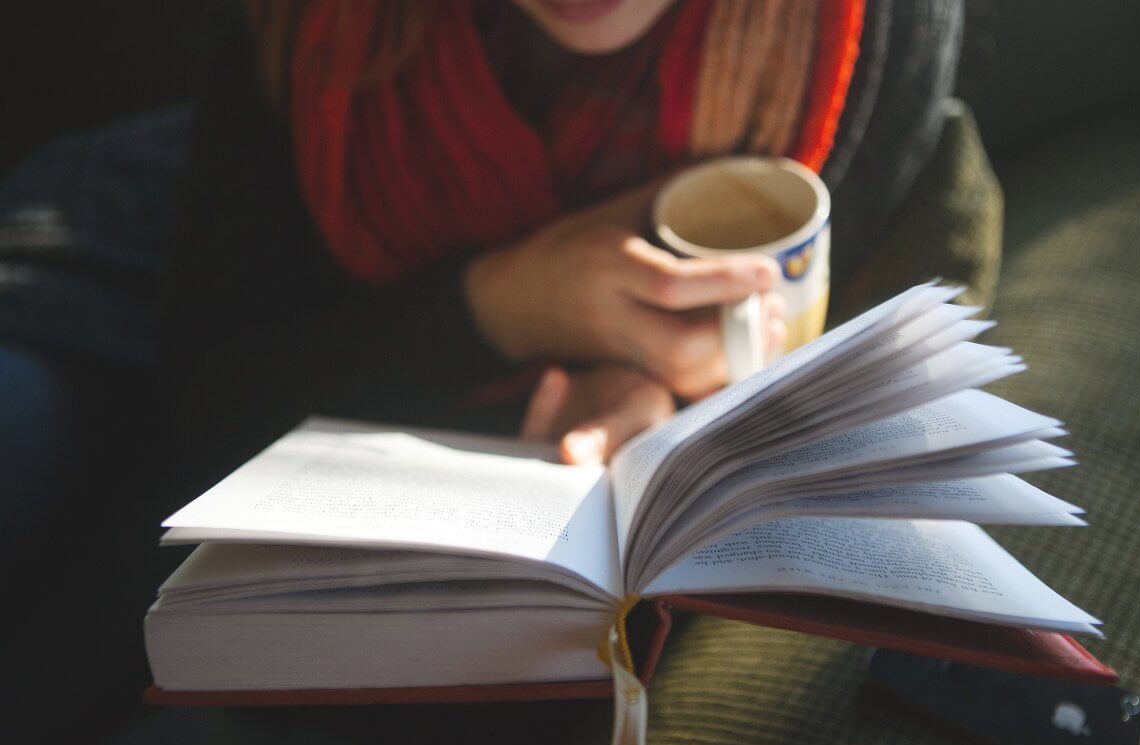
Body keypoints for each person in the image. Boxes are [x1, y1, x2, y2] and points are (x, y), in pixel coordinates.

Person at [168, 0, 869, 484]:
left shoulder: (858, 32)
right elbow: (205, 401)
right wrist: (497, 310)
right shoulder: (301, 34)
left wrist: (663, 393)